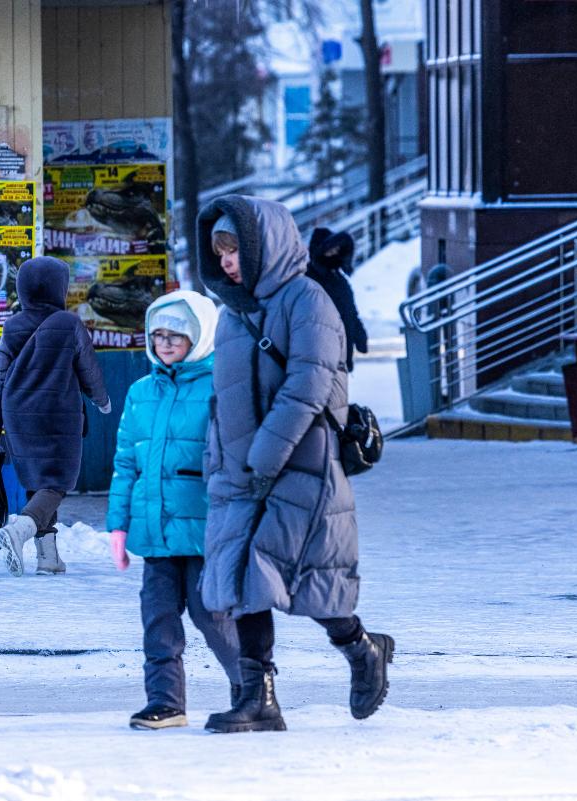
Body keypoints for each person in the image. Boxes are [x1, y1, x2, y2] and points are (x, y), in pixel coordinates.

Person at [196, 197, 394, 733]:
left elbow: (306, 387)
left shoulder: (308, 300)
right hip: (241, 475)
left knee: (310, 581)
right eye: (220, 251)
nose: (228, 261)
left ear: (264, 246)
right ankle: (259, 699)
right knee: (243, 582)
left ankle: (361, 648)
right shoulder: (233, 315)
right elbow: (225, 398)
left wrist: (265, 457)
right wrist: (219, 461)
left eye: (235, 249)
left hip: (300, 467)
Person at [106, 290, 242, 730]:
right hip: (156, 535)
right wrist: (119, 526)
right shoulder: (141, 391)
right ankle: (165, 701)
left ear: (200, 337)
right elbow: (127, 462)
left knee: (213, 618)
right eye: (158, 335)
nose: (165, 343)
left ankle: (251, 688)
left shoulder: (222, 386)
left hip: (206, 533)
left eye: (177, 335)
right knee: (158, 621)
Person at [0, 256, 112, 577]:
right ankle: (20, 531)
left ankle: (48, 559)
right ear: (59, 288)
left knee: (39, 481)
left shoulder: (11, 327)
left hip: (17, 417)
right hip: (60, 417)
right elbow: (88, 371)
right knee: (57, 482)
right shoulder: (69, 324)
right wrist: (102, 400)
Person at [306, 227, 368, 371]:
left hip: (342, 356)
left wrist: (360, 334)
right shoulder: (308, 279)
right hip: (320, 357)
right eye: (329, 250)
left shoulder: (339, 279)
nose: (333, 254)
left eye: (336, 250)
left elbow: (350, 311)